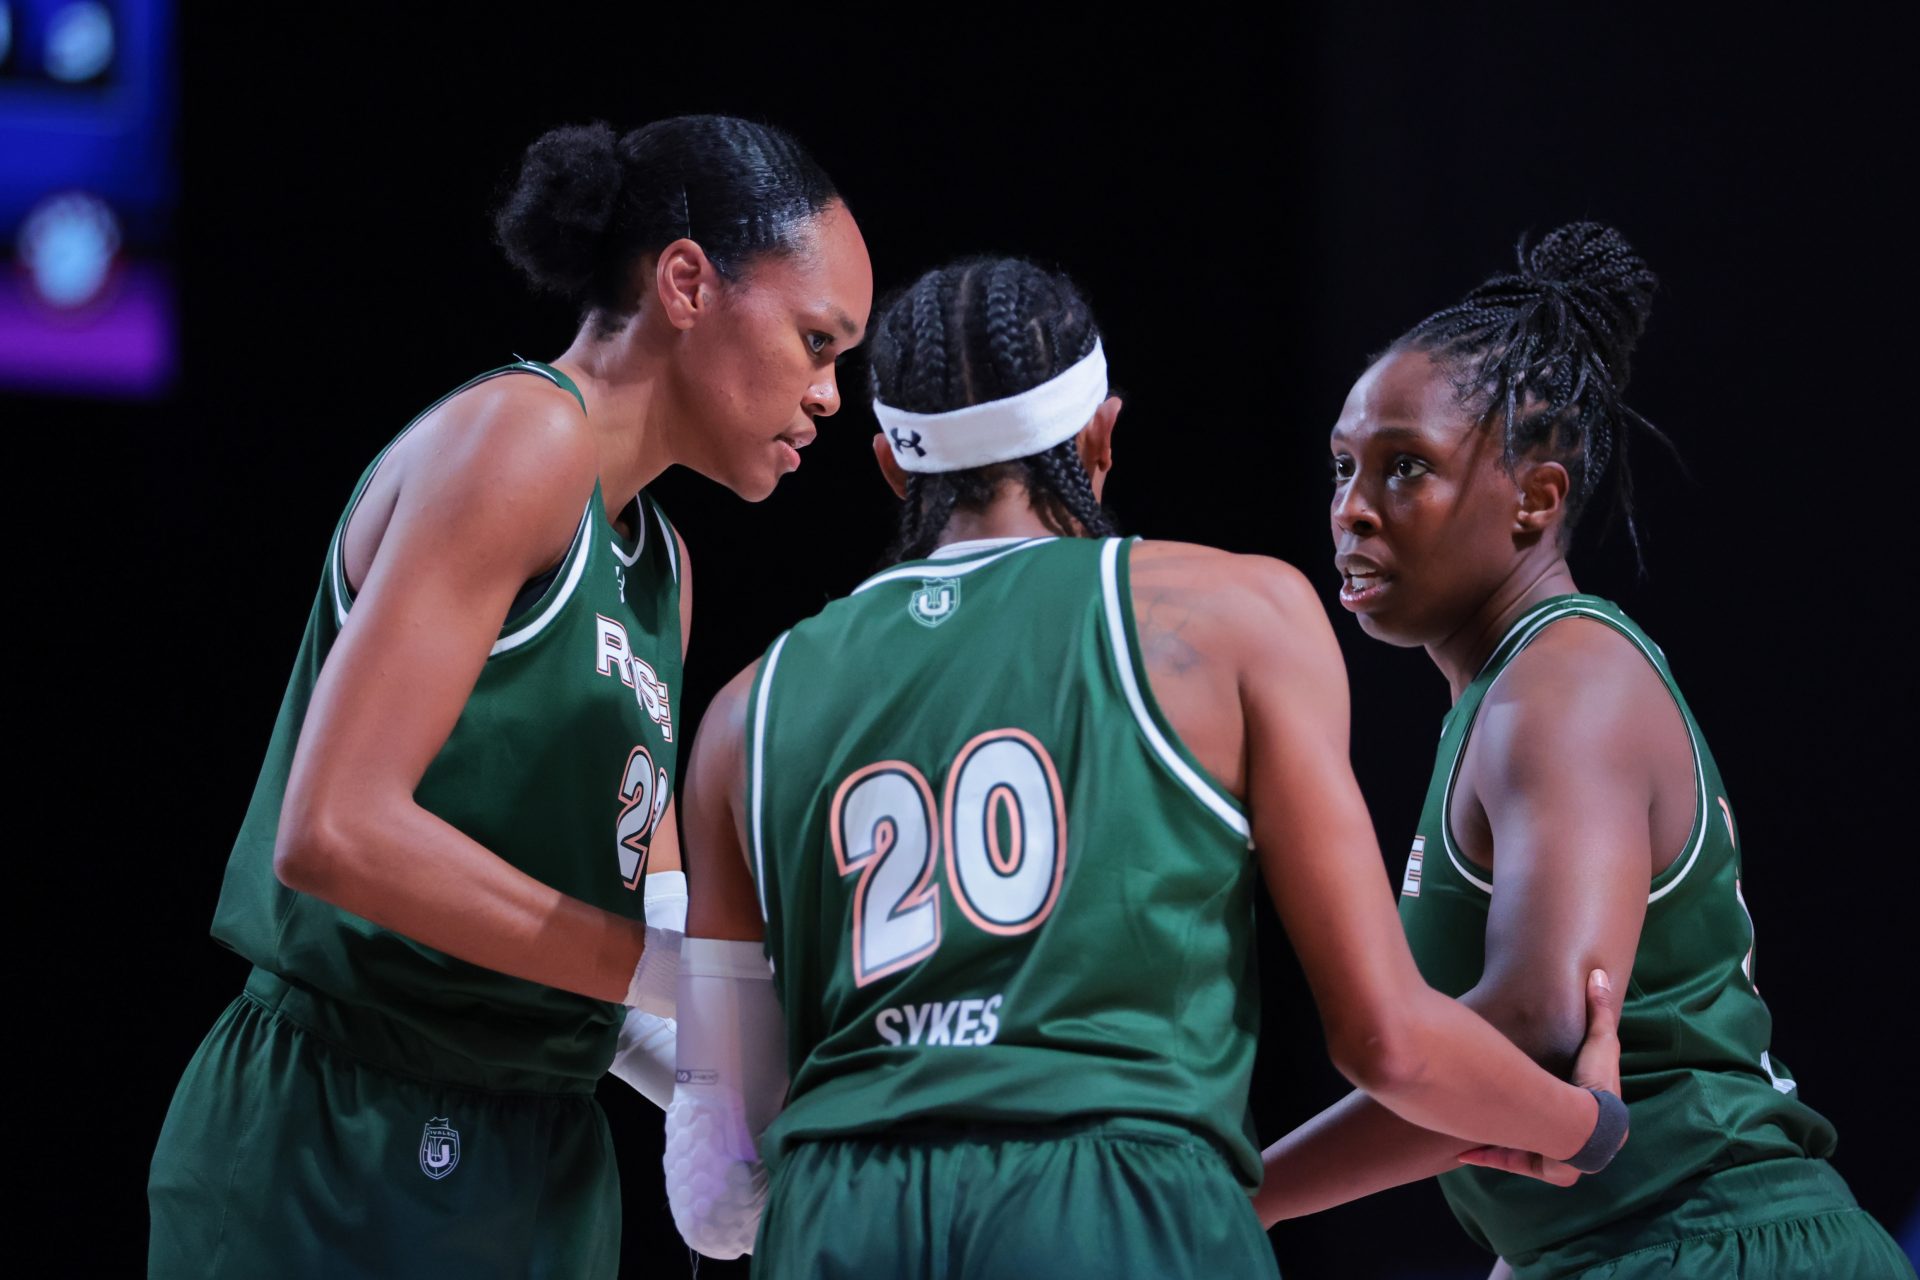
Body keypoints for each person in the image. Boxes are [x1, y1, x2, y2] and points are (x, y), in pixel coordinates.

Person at [657, 256, 1626, 1278]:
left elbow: (717, 1189)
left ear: (895, 468)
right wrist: (1584, 1125)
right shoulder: (1231, 615)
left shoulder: (745, 711)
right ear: (1099, 436)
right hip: (1113, 1200)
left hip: (837, 1215)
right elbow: (1386, 1038)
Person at [147, 115, 872, 1279]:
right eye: (817, 340)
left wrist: (737, 1071)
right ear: (686, 282)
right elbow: (332, 829)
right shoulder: (522, 438)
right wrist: (676, 979)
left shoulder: (666, 572)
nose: (833, 394)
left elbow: (654, 931)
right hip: (346, 1128)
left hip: (542, 1143)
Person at [1257, 222, 1913, 1278]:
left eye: (1405, 467)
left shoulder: (1565, 683)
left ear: (1537, 496)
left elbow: (1536, 1029)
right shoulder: (1512, 689)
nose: (1352, 511)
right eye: (1342, 468)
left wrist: (1247, 1195)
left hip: (1713, 1241)